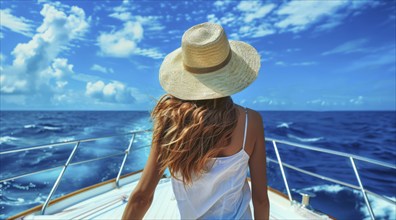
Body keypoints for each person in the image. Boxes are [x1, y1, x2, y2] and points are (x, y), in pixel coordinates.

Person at [122, 22, 269, 220]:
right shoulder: (251, 121)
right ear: (230, 72)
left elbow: (142, 197)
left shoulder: (169, 122)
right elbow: (260, 199)